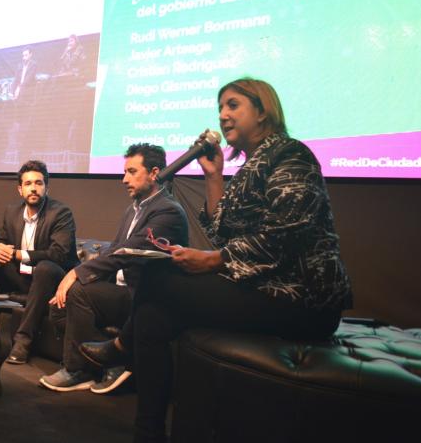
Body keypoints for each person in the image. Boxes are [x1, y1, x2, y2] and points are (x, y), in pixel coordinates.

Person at [81, 78, 352, 442]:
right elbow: (224, 233)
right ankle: (148, 430)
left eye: (233, 105)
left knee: (158, 281)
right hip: (261, 288)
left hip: (303, 299)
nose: (223, 115)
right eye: (220, 107)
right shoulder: (250, 168)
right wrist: (214, 177)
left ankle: (122, 352)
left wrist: (212, 261)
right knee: (153, 314)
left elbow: (287, 232)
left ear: (263, 110)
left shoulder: (290, 154)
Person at [39, 144, 188, 393]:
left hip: (144, 296)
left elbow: (127, 254)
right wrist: (80, 276)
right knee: (59, 307)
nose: (124, 179)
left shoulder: (168, 211)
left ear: (154, 173)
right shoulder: (133, 209)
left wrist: (76, 274)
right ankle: (115, 360)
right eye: (124, 172)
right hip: (120, 291)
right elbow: (113, 251)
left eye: (131, 172)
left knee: (78, 292)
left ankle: (78, 369)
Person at [0, 160, 78, 365]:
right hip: (24, 276)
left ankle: (23, 340)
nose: (33, 188)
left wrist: (19, 255)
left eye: (39, 183)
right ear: (20, 189)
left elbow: (60, 255)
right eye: (28, 183)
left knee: (45, 269)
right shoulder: (12, 211)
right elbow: (1, 241)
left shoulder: (60, 213)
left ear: (47, 187)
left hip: (52, 279)